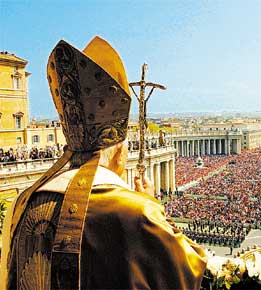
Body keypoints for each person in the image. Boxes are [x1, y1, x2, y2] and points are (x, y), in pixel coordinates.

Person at [0, 37, 206, 290]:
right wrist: (152, 204)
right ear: (120, 153)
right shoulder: (136, 212)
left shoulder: (23, 203)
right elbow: (189, 270)